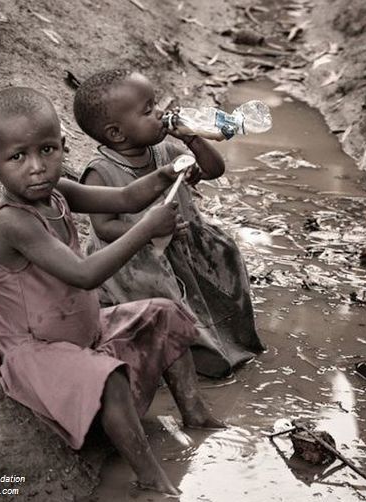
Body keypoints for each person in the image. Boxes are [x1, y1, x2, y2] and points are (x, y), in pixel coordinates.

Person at [0, 87, 224, 496]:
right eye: (18, 157)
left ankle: (196, 414)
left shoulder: (58, 192)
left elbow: (126, 197)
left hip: (86, 330)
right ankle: (151, 478)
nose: (37, 167)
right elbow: (85, 274)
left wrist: (165, 174)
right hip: (35, 351)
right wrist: (148, 228)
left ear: (62, 146)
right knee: (109, 381)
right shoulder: (11, 222)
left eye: (47, 150)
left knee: (166, 313)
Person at [73, 69, 264, 379]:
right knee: (170, 305)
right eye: (148, 110)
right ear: (117, 133)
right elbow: (104, 228)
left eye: (157, 103)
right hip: (139, 260)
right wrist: (149, 233)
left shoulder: (164, 151)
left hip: (183, 245)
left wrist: (193, 138)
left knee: (225, 256)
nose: (160, 113)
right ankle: (193, 358)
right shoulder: (101, 172)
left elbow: (214, 170)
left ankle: (228, 339)